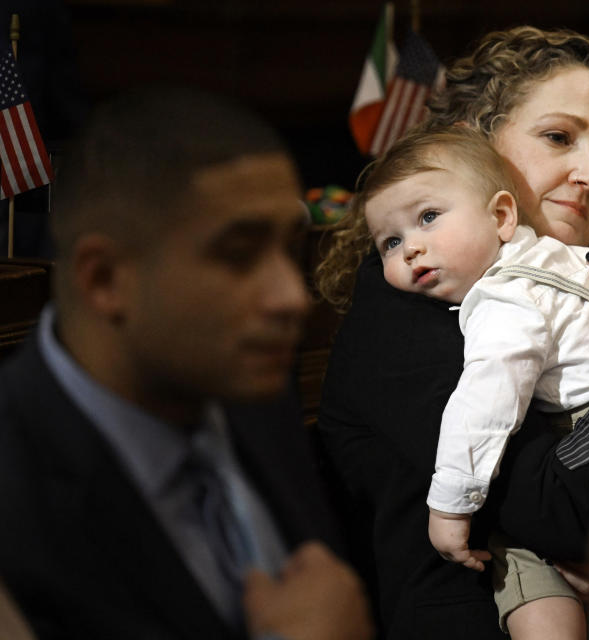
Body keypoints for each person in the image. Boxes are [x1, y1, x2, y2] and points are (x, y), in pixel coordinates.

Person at [314, 26, 589, 640]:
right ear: (472, 144)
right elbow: (571, 513)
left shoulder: (567, 286)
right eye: (558, 137)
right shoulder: (408, 308)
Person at [0, 88, 373, 640]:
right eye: (239, 254)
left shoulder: (247, 388)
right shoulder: (16, 493)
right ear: (104, 279)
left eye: (288, 249)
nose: (293, 296)